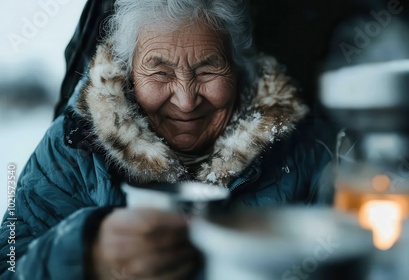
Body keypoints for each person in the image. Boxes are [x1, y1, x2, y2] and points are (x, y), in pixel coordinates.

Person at [0, 0, 332, 279]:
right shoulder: (71, 147)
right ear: (128, 73)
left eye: (207, 70)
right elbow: (8, 264)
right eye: (160, 72)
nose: (186, 100)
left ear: (238, 69)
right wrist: (86, 254)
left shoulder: (304, 150)